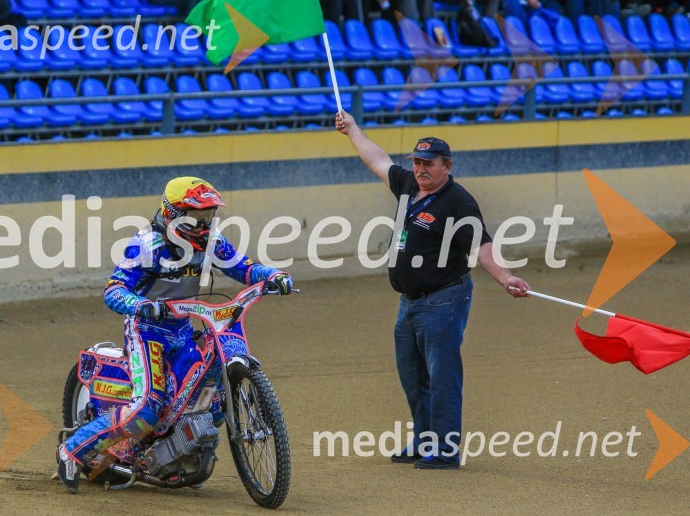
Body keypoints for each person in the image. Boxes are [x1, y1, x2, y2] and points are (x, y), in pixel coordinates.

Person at [56, 177, 294, 493]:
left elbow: (244, 268)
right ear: (174, 214)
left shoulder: (211, 241)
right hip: (147, 332)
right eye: (198, 216)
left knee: (210, 395)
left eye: (209, 215)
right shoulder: (146, 244)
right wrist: (143, 305)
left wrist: (273, 276)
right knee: (147, 409)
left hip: (183, 329)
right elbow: (114, 290)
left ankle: (176, 448)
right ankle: (72, 450)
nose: (205, 223)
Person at [334, 111, 529, 469]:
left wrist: (505, 277)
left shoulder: (459, 203)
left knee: (442, 378)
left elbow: (482, 246)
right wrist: (353, 130)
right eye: (417, 162)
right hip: (409, 304)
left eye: (428, 164)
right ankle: (425, 440)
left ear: (447, 166)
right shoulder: (409, 186)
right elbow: (378, 160)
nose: (420, 169)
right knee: (414, 378)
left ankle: (446, 449)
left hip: (444, 302)